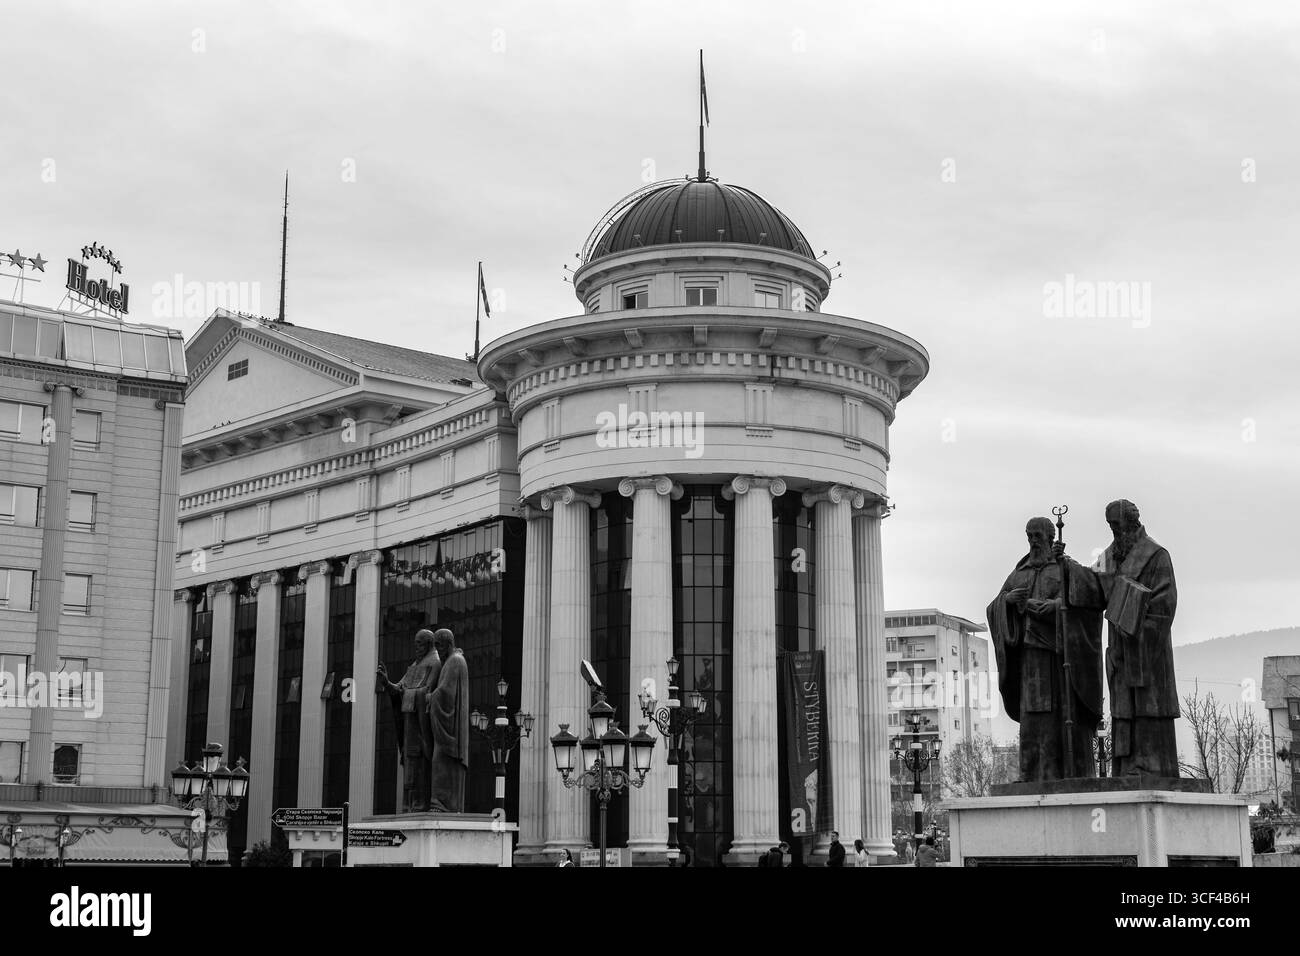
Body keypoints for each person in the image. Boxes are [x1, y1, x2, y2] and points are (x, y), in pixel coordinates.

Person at [1056, 500, 1180, 777]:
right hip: (1120, 649)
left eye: (1117, 526)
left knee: (1149, 708)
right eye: (1110, 526)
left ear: (1131, 524)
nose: (1114, 531)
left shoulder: (1157, 555)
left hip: (1148, 652)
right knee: (1124, 709)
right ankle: (1126, 767)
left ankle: (1152, 767)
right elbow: (1092, 586)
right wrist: (1067, 567)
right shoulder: (1109, 556)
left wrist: (1137, 626)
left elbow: (1165, 603)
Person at [988, 517, 1103, 781]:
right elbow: (994, 608)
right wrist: (1007, 601)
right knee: (1034, 719)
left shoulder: (1065, 568)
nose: (1032, 541)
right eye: (1029, 536)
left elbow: (1089, 600)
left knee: (1062, 717)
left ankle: (1065, 773)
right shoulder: (1019, 573)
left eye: (1037, 536)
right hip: (1029, 659)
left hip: (1059, 658)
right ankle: (1033, 774)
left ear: (1050, 537)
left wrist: (1057, 607)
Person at [376, 629, 439, 812]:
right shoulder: (415, 664)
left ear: (428, 644)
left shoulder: (435, 663)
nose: (416, 647)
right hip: (409, 723)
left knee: (420, 762)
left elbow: (428, 691)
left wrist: (408, 692)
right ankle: (408, 804)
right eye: (415, 643)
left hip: (421, 725)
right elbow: (400, 688)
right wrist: (387, 683)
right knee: (409, 760)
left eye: (419, 643)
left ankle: (421, 803)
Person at [426, 628, 470, 811]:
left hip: (449, 731)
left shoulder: (455, 661)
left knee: (440, 763)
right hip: (447, 727)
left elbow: (446, 692)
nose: (437, 649)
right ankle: (442, 803)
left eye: (439, 645)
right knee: (438, 762)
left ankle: (442, 804)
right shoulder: (451, 662)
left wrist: (430, 697)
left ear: (448, 644)